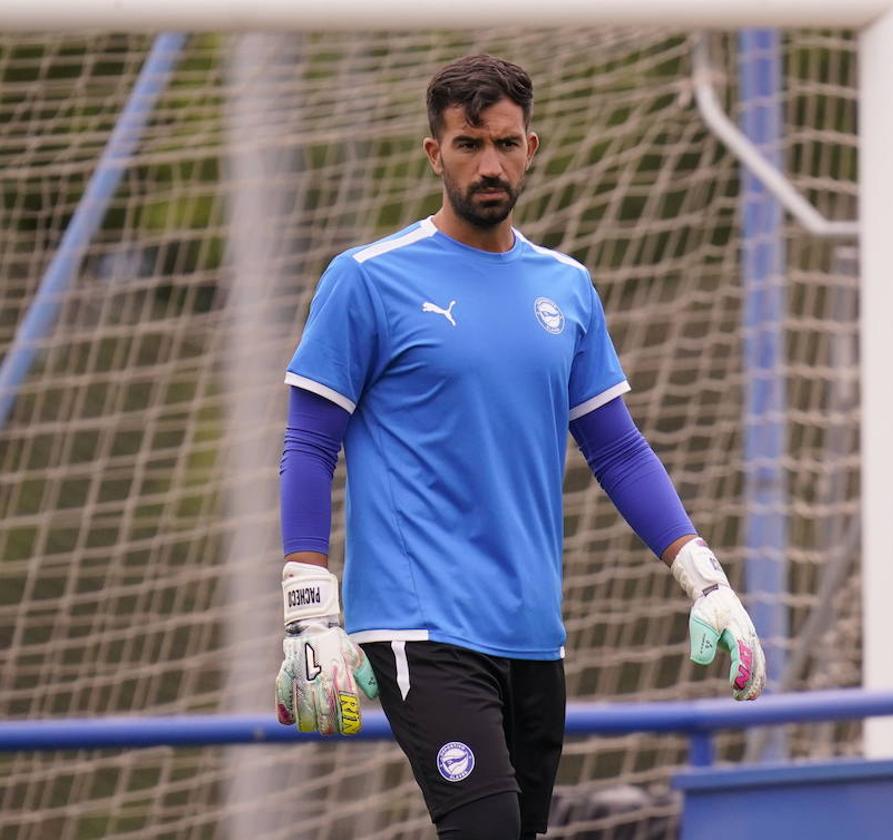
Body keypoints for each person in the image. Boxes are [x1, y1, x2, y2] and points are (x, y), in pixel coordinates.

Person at [274, 54, 766, 839]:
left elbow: (619, 450)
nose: (490, 163)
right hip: (419, 625)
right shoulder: (366, 279)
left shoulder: (566, 286)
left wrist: (704, 576)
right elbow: (309, 441)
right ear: (435, 154)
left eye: (505, 143)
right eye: (469, 144)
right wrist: (308, 605)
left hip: (534, 633)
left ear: (531, 147)